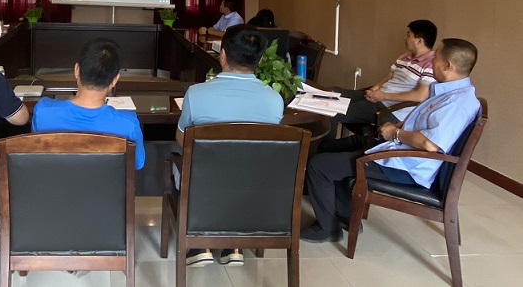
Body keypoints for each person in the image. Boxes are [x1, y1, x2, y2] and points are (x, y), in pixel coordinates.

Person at [301, 38, 481, 243]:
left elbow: (430, 144)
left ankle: (327, 228)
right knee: (327, 147)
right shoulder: (450, 91)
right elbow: (426, 125)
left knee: (318, 165)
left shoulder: (456, 103)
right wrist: (398, 128)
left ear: (448, 66)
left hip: (405, 165)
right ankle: (345, 215)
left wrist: (395, 134)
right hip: (400, 150)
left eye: (436, 58)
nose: (432, 61)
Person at [176, 23, 285, 267]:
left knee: (192, 166)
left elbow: (183, 140)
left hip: (206, 183)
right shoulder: (274, 100)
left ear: (222, 55)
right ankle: (234, 245)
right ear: (259, 59)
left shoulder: (196, 94)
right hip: (253, 186)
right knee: (241, 171)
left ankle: (201, 244)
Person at [31, 38, 145, 170]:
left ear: (76, 70)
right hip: (103, 184)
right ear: (115, 80)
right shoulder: (128, 124)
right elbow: (137, 164)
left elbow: (33, 156)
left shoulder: (43, 112)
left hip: (52, 183)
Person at [330, 19, 438, 135]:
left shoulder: (430, 64)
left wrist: (383, 96)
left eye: (408, 35)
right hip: (379, 97)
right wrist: (376, 88)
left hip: (390, 109)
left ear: (419, 41)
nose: (405, 38)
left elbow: (420, 96)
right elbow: (390, 75)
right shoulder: (405, 57)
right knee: (333, 93)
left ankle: (323, 146)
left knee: (332, 111)